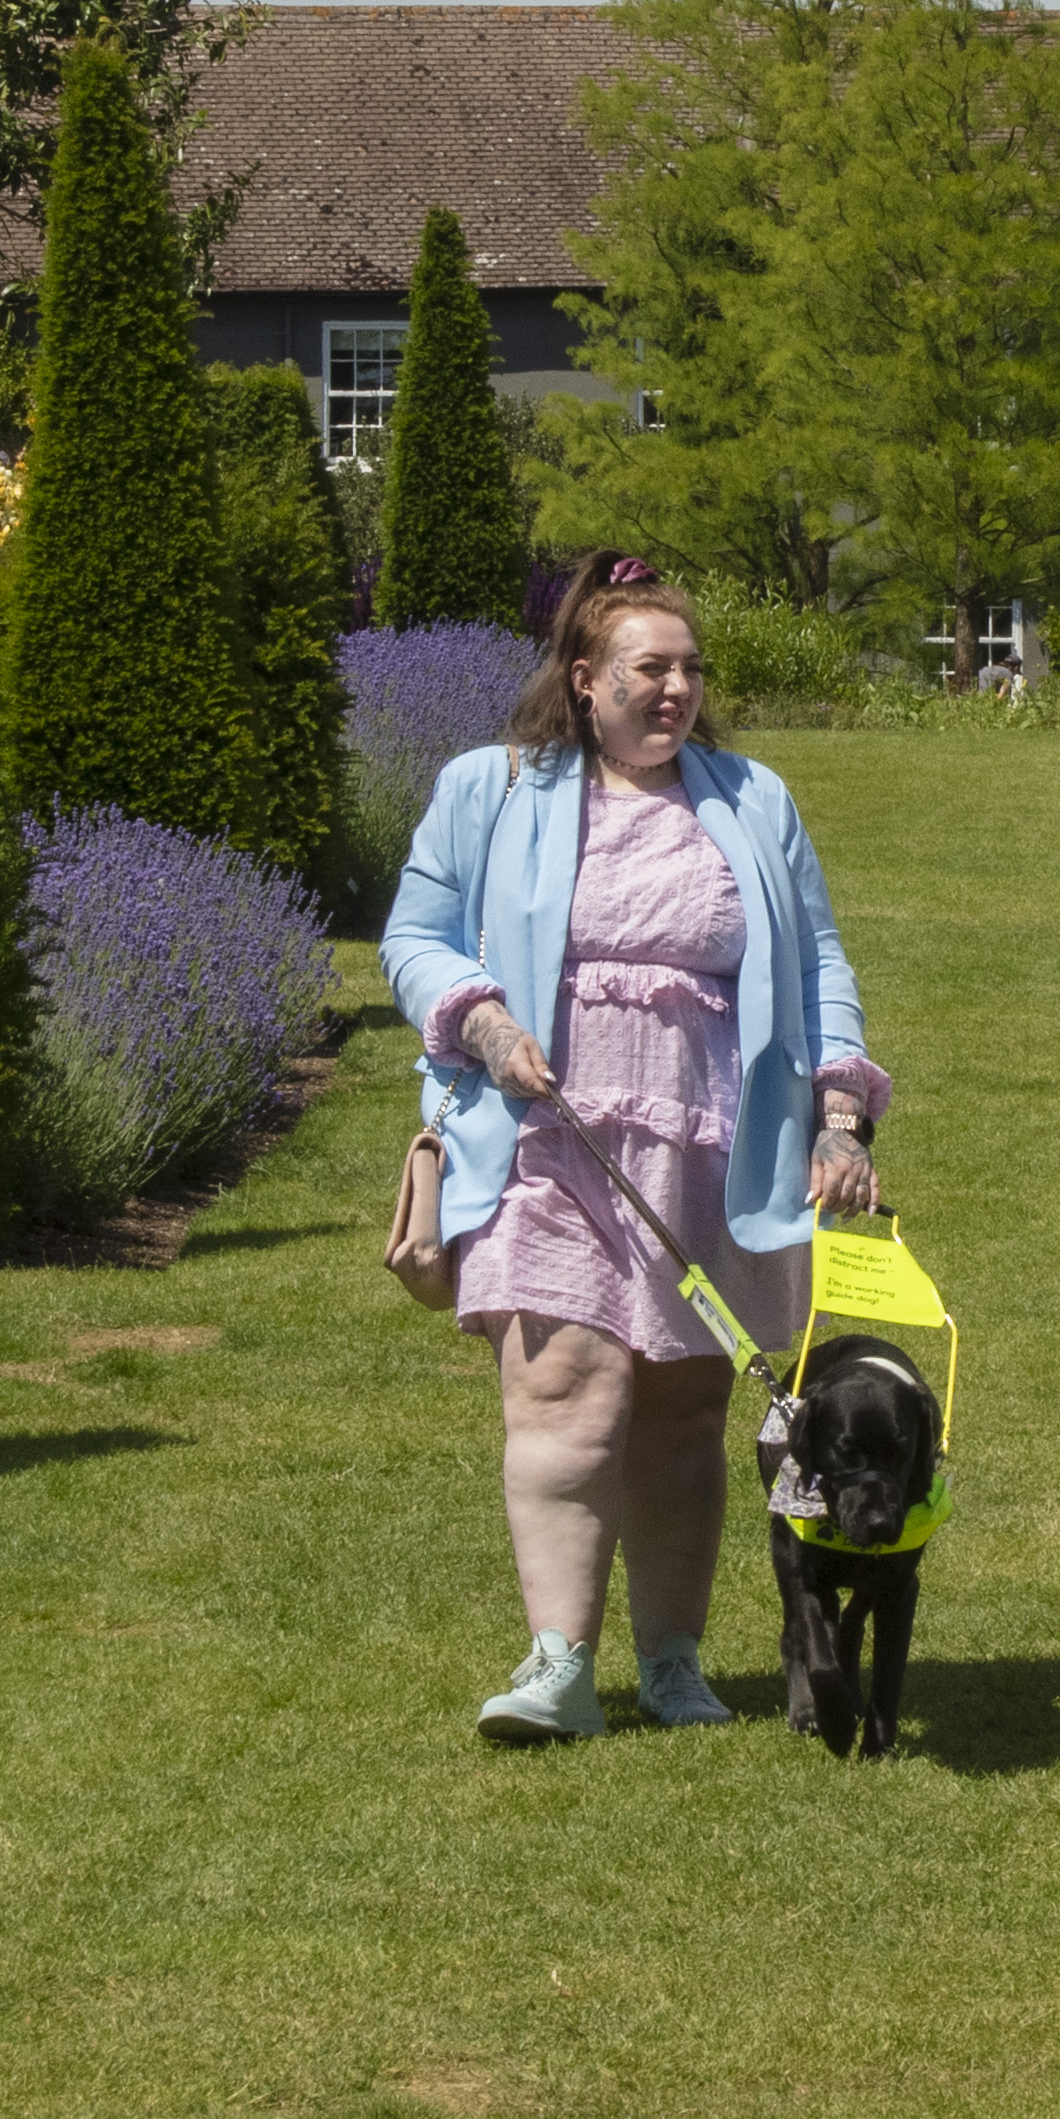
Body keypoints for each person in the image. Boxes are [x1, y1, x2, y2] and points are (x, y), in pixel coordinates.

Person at [381, 552, 887, 1745]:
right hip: (548, 1136)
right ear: (586, 677)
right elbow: (413, 931)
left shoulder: (752, 797)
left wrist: (841, 1109)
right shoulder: (490, 786)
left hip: (718, 1139)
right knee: (563, 1384)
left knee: (684, 1404)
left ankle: (672, 1664)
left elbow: (818, 964)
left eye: (691, 668)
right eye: (649, 667)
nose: (676, 689)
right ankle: (559, 1662)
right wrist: (482, 1017)